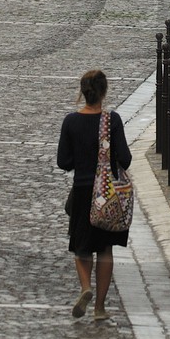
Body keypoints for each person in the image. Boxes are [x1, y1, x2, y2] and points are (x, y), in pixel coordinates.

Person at [57, 69, 132, 323]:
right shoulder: (112, 120)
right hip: (107, 194)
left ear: (83, 92)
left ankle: (85, 287)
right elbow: (125, 158)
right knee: (105, 249)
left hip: (82, 191)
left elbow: (63, 161)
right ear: (104, 92)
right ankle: (100, 308)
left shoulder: (71, 122)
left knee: (81, 247)